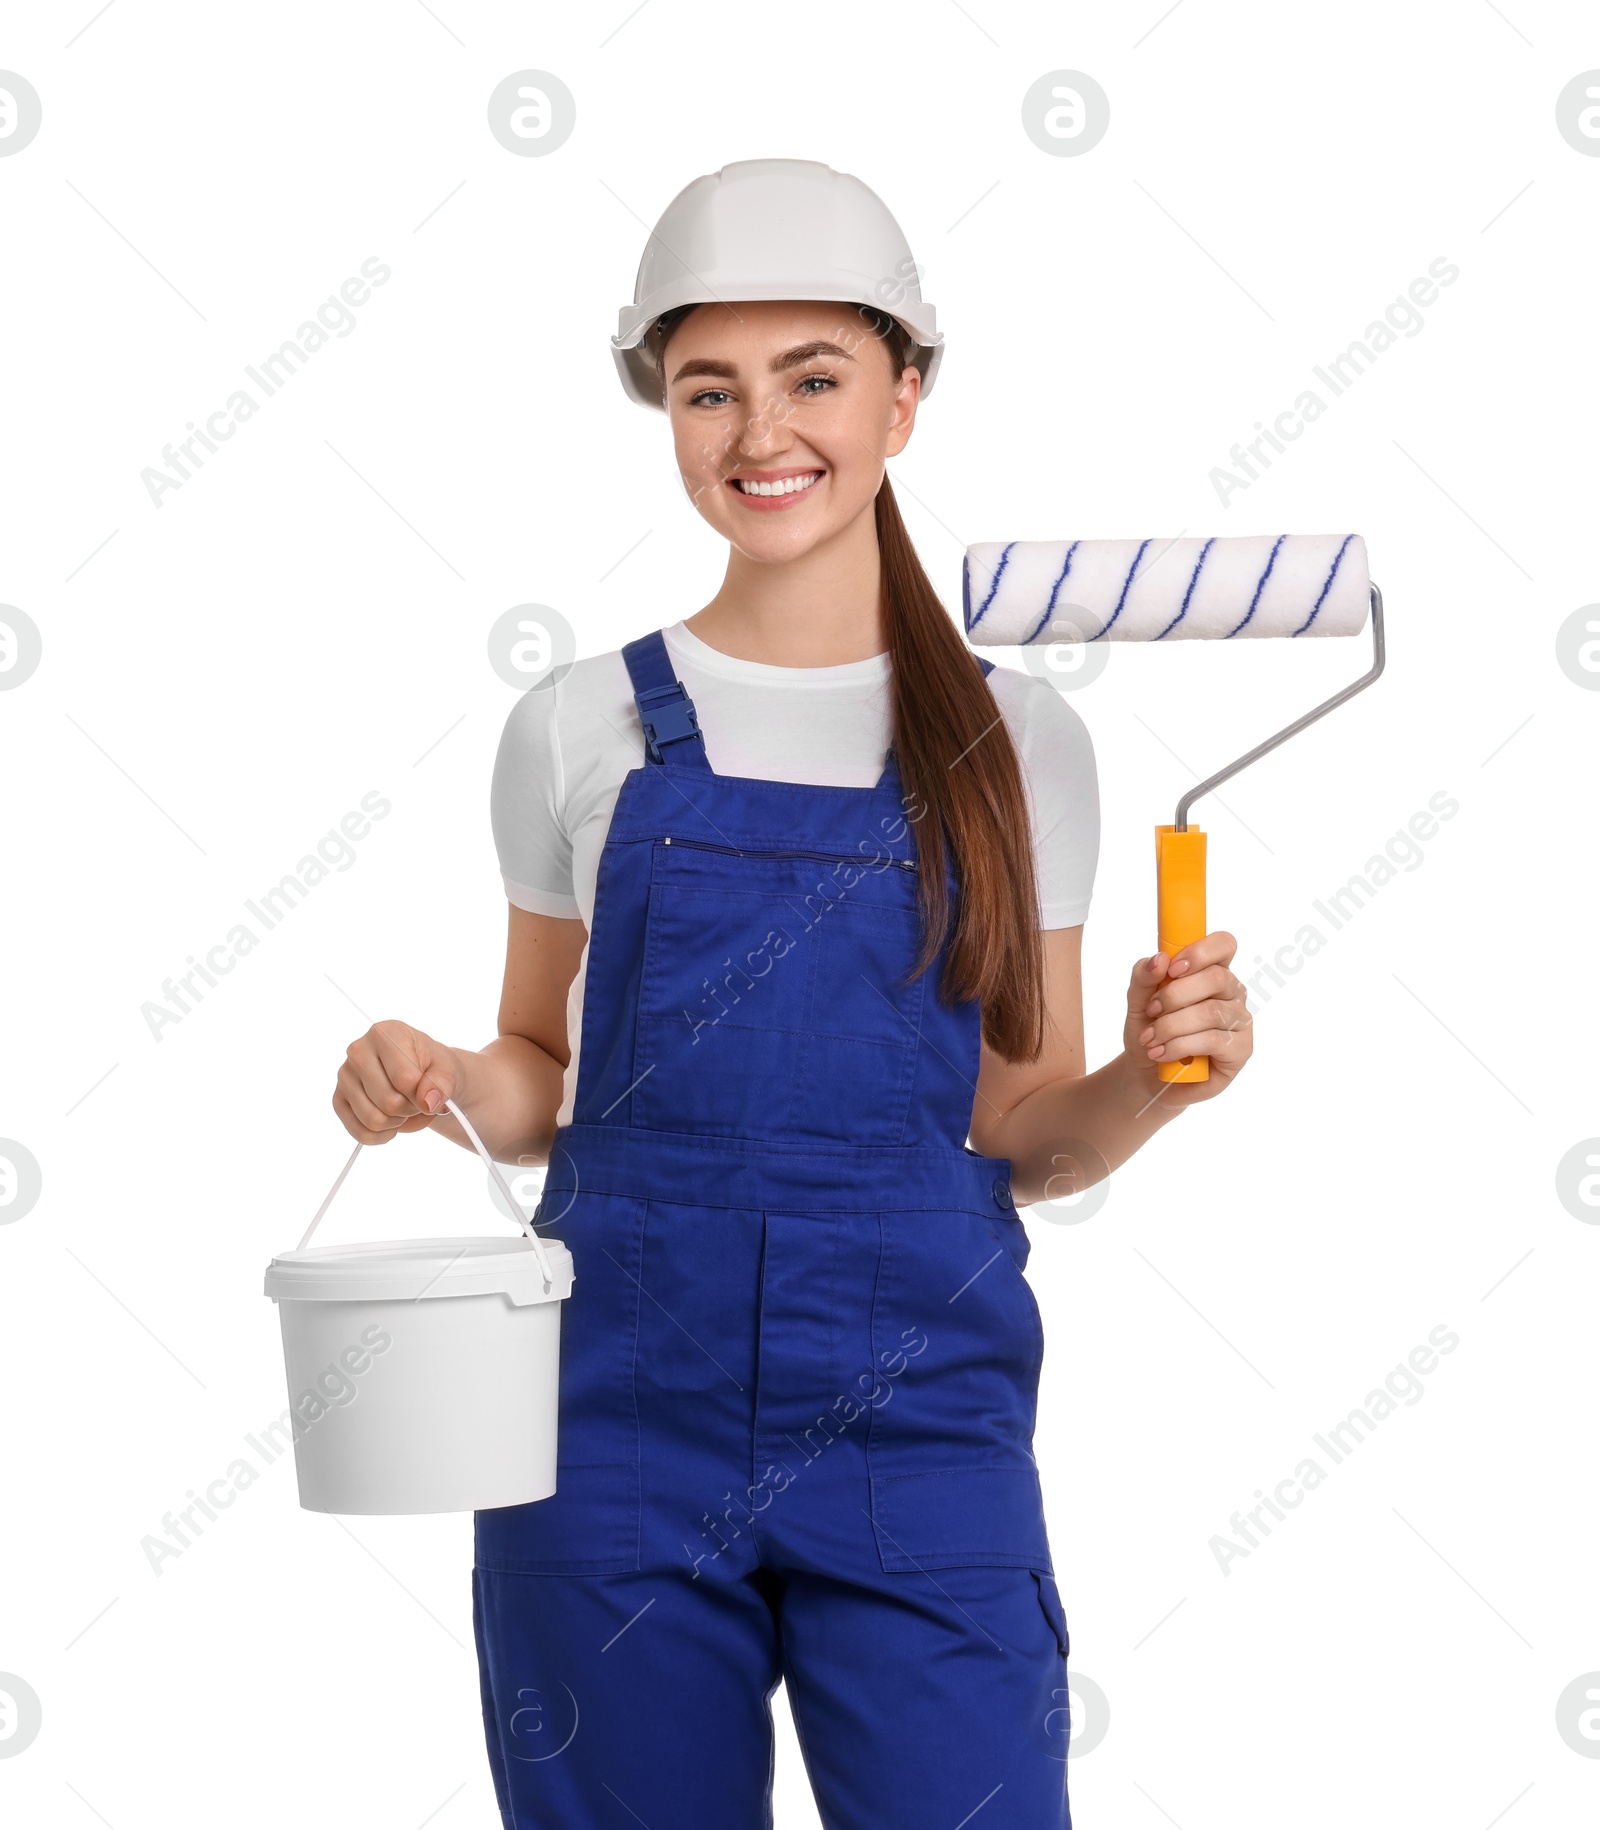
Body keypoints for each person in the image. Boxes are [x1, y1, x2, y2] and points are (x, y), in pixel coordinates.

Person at [331, 158, 1252, 1829]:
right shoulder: (580, 725)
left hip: (920, 1429)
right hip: (610, 1431)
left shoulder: (1016, 742)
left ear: (904, 397)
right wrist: (446, 1073)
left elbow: (1022, 1135)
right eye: (710, 389)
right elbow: (548, 1070)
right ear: (664, 410)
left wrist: (1150, 1071)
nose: (762, 432)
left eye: (814, 377)